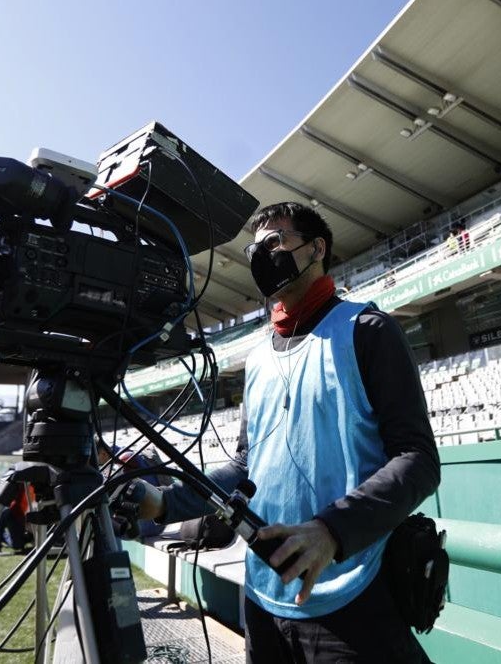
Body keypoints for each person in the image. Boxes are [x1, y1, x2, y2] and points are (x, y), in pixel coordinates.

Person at [127, 201, 440, 663]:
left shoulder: (369, 330)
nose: (261, 255)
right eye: (255, 248)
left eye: (275, 242)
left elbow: (418, 459)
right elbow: (245, 466)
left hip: (354, 593)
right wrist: (165, 502)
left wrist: (330, 531)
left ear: (317, 249)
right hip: (262, 597)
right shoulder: (256, 358)